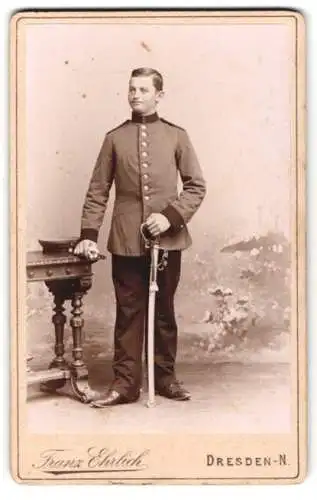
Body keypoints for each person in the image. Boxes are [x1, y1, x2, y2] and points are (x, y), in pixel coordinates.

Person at [74, 67, 206, 407]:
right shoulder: (114, 138)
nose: (135, 95)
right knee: (129, 311)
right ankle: (125, 385)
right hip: (126, 240)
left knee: (163, 311)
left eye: (144, 90)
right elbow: (97, 190)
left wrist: (170, 217)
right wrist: (88, 234)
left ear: (159, 95)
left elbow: (196, 186)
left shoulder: (177, 136)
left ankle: (166, 379)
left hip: (168, 239)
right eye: (132, 89)